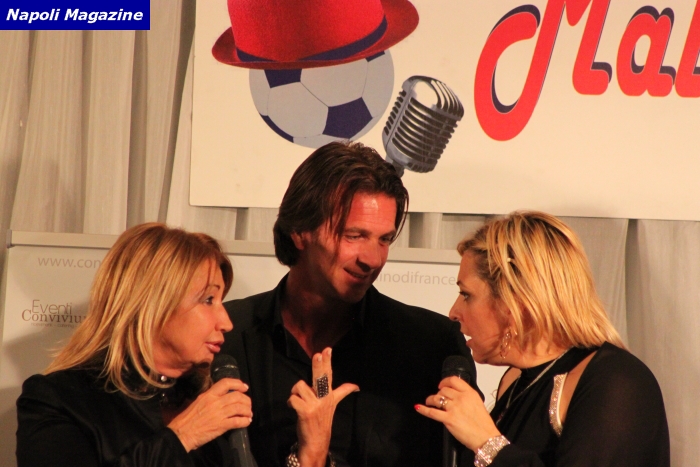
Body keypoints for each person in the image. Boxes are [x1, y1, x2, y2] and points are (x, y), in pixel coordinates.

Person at [221, 141, 479, 467]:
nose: (372, 259)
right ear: (299, 231)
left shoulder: (433, 345)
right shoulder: (225, 338)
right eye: (354, 236)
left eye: (384, 239)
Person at [416, 211, 670, 467]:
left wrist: (486, 441)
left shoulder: (618, 382)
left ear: (515, 301)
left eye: (466, 294)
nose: (453, 312)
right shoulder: (514, 379)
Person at [16, 223, 253, 467]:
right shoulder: (59, 399)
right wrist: (184, 436)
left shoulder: (212, 399)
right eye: (208, 300)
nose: (226, 323)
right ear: (153, 304)